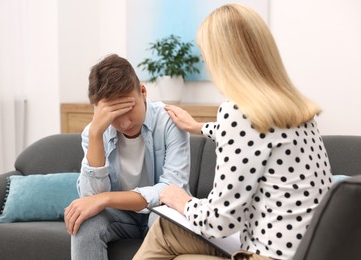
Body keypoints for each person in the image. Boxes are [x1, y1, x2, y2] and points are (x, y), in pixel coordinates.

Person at [133, 4, 332, 260]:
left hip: (265, 255)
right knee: (170, 235)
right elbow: (260, 141)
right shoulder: (294, 108)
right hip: (304, 252)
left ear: (222, 59)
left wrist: (179, 199)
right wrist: (199, 127)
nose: (205, 61)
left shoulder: (238, 112)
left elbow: (220, 221)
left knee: (166, 231)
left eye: (206, 55)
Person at [64, 54, 191, 260]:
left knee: (161, 220)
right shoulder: (94, 132)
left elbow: (171, 189)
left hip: (161, 212)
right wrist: (96, 134)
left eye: (128, 109)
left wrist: (105, 199)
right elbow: (90, 197)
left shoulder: (169, 121)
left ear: (142, 91)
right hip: (121, 217)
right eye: (114, 115)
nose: (124, 124)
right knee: (86, 223)